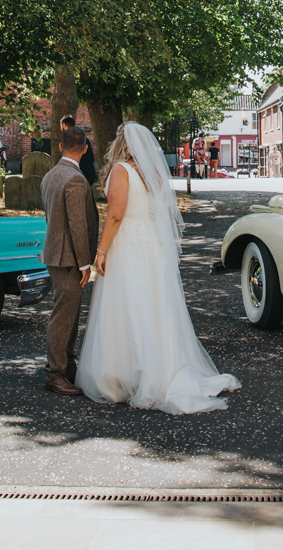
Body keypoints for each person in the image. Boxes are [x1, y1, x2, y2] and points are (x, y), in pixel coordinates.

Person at [76, 121, 239, 413]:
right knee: (153, 303)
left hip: (128, 242)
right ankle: (160, 366)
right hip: (149, 244)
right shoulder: (152, 175)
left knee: (129, 303)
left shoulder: (121, 171)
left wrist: (100, 251)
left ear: (121, 144)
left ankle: (128, 374)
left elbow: (115, 215)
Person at [40, 125, 99, 396]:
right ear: (85, 148)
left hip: (55, 253)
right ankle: (55, 373)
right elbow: (77, 225)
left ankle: (67, 364)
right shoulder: (75, 179)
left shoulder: (50, 175)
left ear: (61, 147)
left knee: (69, 313)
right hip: (69, 258)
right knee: (63, 316)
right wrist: (85, 263)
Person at [59, 114, 97, 185]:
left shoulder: (69, 140)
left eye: (61, 126)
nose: (61, 128)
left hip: (79, 177)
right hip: (89, 174)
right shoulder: (82, 137)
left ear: (64, 125)